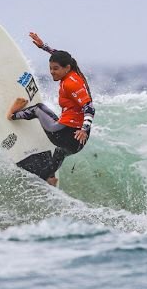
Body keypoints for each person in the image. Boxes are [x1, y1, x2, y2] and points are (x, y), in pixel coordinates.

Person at [7, 32, 95, 186]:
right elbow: (61, 56)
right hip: (77, 144)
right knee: (59, 153)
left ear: (67, 68)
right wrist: (43, 46)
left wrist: (84, 128)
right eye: (51, 68)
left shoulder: (71, 83)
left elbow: (89, 107)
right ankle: (49, 179)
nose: (52, 72)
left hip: (66, 135)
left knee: (38, 108)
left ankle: (12, 115)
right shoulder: (72, 70)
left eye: (56, 69)